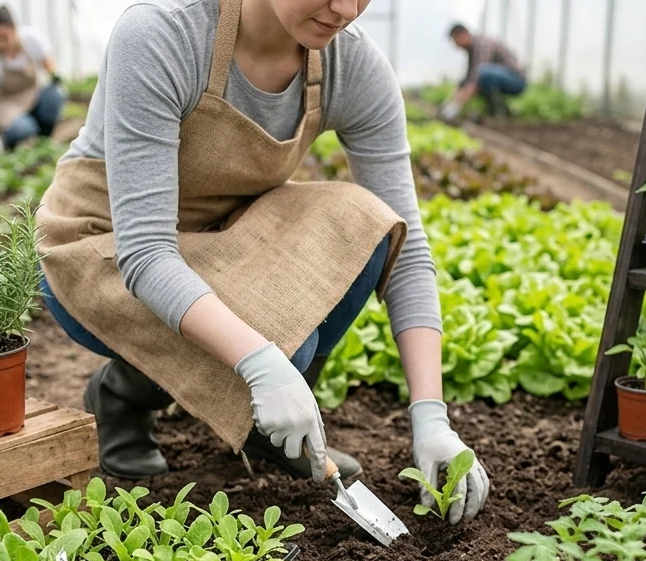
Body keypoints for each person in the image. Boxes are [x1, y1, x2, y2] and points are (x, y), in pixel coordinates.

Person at [37, 0, 490, 525]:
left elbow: (406, 252)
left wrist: (432, 418)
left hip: (219, 243)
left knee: (365, 219)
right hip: (102, 250)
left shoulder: (352, 66)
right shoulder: (164, 34)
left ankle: (269, 429)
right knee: (278, 351)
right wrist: (261, 362)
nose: (345, 9)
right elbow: (146, 253)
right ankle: (121, 393)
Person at [0, 6, 64, 163]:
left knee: (55, 95)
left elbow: (50, 67)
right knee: (23, 129)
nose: (0, 42)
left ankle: (44, 140)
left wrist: (55, 79)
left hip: (33, 95)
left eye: (4, 36)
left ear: (14, 28)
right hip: (9, 105)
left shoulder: (32, 39)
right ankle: (8, 142)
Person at [441, 23, 526, 121]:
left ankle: (499, 111)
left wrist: (456, 106)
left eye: (456, 41)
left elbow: (475, 80)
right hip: (499, 77)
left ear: (463, 35)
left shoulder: (482, 43)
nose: (456, 46)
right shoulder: (472, 49)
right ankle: (498, 111)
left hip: (516, 80)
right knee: (474, 79)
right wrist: (450, 101)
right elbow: (468, 78)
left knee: (484, 73)